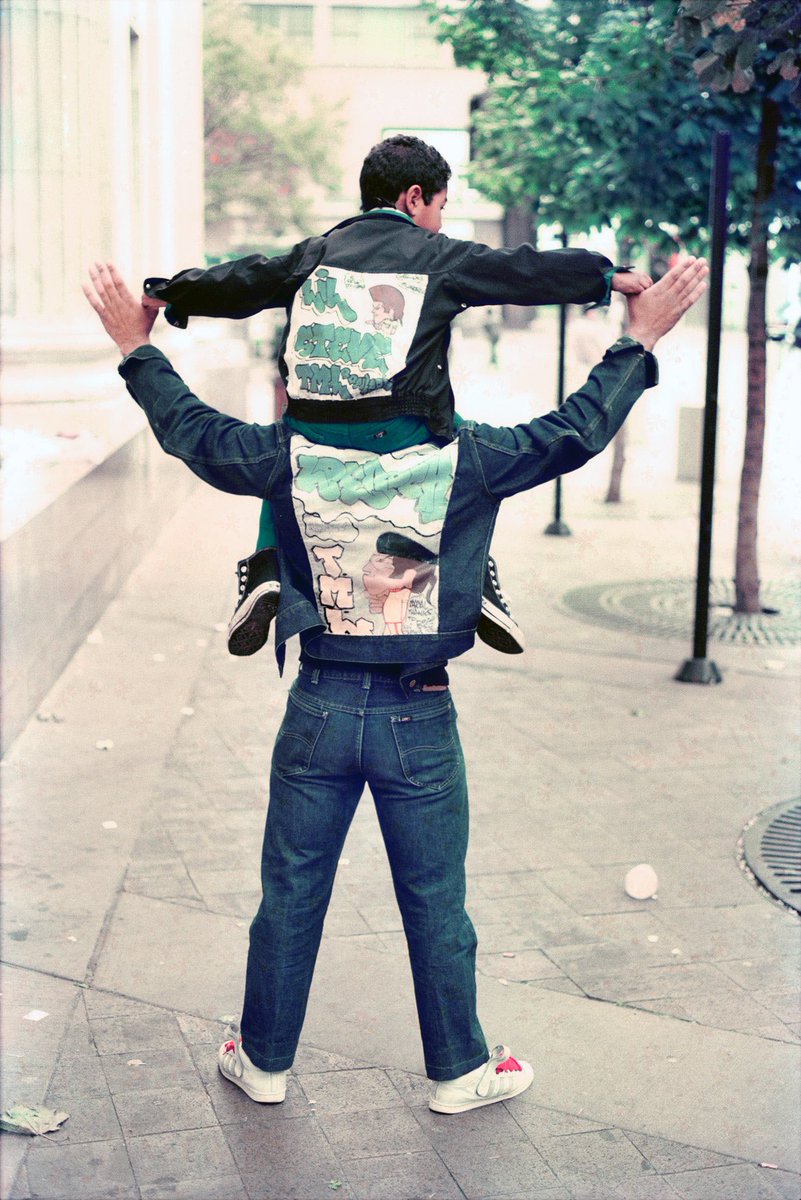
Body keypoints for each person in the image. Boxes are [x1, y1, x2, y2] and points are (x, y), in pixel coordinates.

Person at [83, 253, 708, 1114]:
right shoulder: (470, 458)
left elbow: (193, 432)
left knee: (291, 892)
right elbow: (575, 431)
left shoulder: (291, 458)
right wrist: (635, 344)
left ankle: (262, 1061)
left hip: (319, 702)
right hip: (419, 708)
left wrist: (135, 347)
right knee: (435, 902)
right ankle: (458, 1071)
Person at [142, 134, 652, 661]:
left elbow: (243, 279)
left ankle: (266, 564)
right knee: (465, 456)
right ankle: (475, 576)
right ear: (414, 198)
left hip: (314, 427)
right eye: (440, 206)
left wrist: (173, 293)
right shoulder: (439, 256)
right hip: (400, 428)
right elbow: (521, 270)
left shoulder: (311, 256)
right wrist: (604, 275)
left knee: (286, 457)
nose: (440, 221)